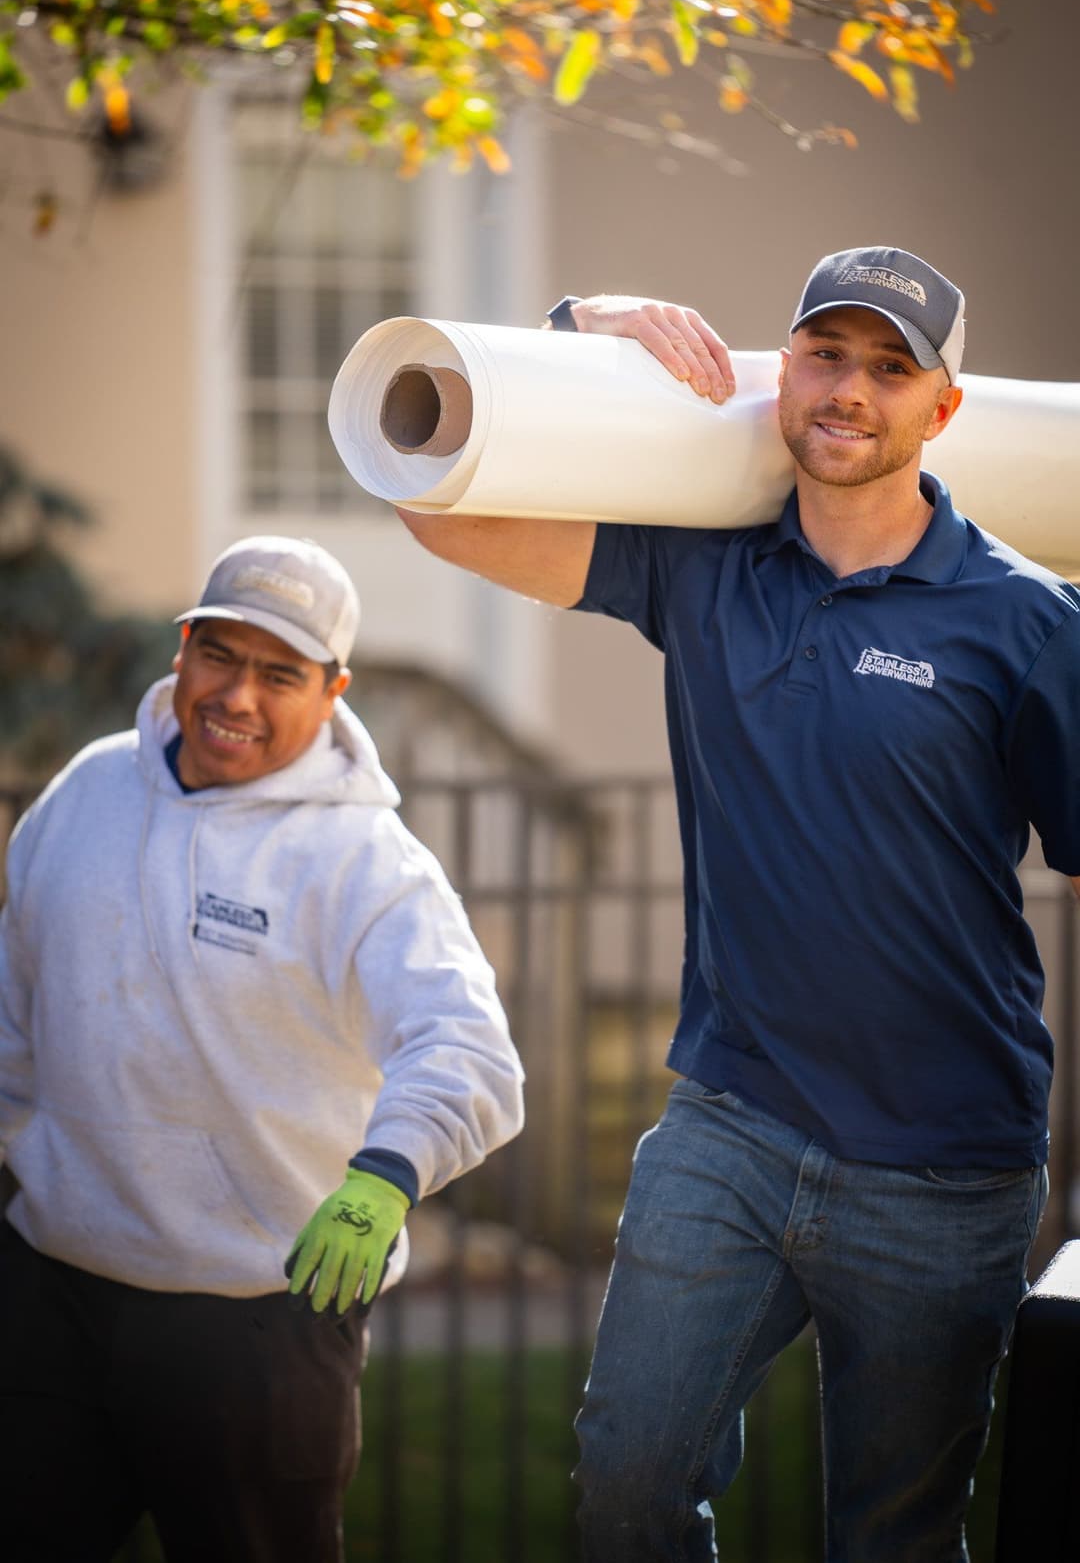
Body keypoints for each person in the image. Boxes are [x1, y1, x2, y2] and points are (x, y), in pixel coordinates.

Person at [397, 247, 1080, 1562]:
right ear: (784, 370)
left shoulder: (1027, 622)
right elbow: (441, 502)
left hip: (945, 1165)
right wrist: (579, 328)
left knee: (890, 1535)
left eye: (891, 368)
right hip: (734, 1123)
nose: (848, 390)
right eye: (826, 353)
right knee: (628, 1482)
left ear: (943, 409)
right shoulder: (703, 570)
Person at [0, 534, 524, 1563]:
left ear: (333, 691)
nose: (237, 696)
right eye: (220, 657)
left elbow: (468, 1051)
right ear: (182, 650)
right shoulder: (85, 794)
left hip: (254, 1323)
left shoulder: (367, 864)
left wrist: (383, 1179)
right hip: (51, 1290)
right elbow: (14, 1008)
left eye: (279, 673)